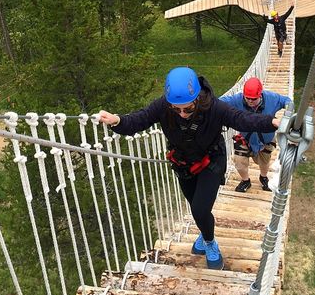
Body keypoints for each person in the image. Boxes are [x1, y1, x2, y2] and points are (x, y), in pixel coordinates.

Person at [98, 66, 280, 271]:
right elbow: (139, 119)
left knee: (200, 209)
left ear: (197, 100)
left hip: (211, 162)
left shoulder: (215, 108)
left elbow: (243, 118)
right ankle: (205, 234)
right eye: (176, 109)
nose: (182, 114)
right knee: (196, 208)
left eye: (188, 109)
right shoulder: (163, 106)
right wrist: (117, 121)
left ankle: (211, 243)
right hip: (183, 165)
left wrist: (273, 122)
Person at [220, 77, 291, 192]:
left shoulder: (271, 98)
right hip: (245, 138)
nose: (250, 101)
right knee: (239, 160)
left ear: (260, 95)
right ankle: (245, 181)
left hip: (266, 139)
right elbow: (220, 102)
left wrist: (288, 111)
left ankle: (263, 177)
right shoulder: (237, 99)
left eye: (254, 99)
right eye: (247, 98)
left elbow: (286, 100)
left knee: (264, 161)